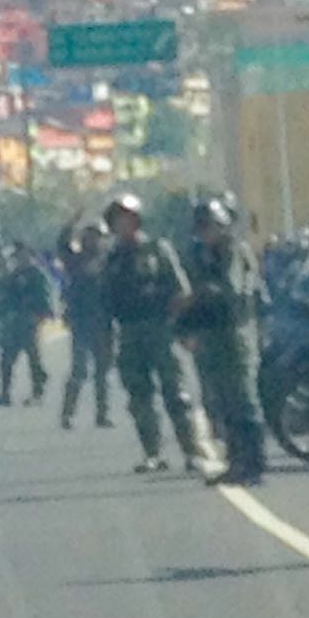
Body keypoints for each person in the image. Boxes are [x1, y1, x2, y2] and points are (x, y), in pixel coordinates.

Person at [101, 193, 205, 475]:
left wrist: (177, 322)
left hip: (160, 328)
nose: (123, 225)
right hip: (129, 332)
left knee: (177, 393)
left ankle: (192, 452)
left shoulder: (158, 250)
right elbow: (106, 302)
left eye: (127, 219)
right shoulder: (112, 259)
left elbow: (181, 290)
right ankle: (152, 453)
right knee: (139, 396)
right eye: (117, 220)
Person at [181, 197, 265, 485]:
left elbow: (231, 291)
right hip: (212, 335)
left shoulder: (234, 252)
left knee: (243, 400)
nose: (206, 233)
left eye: (211, 226)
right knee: (223, 402)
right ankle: (236, 462)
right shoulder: (202, 254)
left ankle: (253, 465)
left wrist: (200, 293)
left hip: (236, 332)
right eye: (202, 227)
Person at [56, 212, 114, 430]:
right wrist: (71, 222)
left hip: (105, 323)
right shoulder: (76, 260)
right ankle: (68, 414)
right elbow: (62, 245)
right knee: (78, 370)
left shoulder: (110, 262)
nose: (94, 240)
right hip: (81, 322)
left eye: (97, 236)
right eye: (89, 236)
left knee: (103, 372)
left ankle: (102, 414)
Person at [0, 242, 52, 407]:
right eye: (17, 256)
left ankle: (38, 392)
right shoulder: (14, 275)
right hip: (14, 321)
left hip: (29, 320)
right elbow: (5, 296)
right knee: (7, 359)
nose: (19, 259)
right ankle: (4, 394)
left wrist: (41, 315)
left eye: (22, 255)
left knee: (33, 359)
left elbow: (45, 297)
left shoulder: (37, 274)